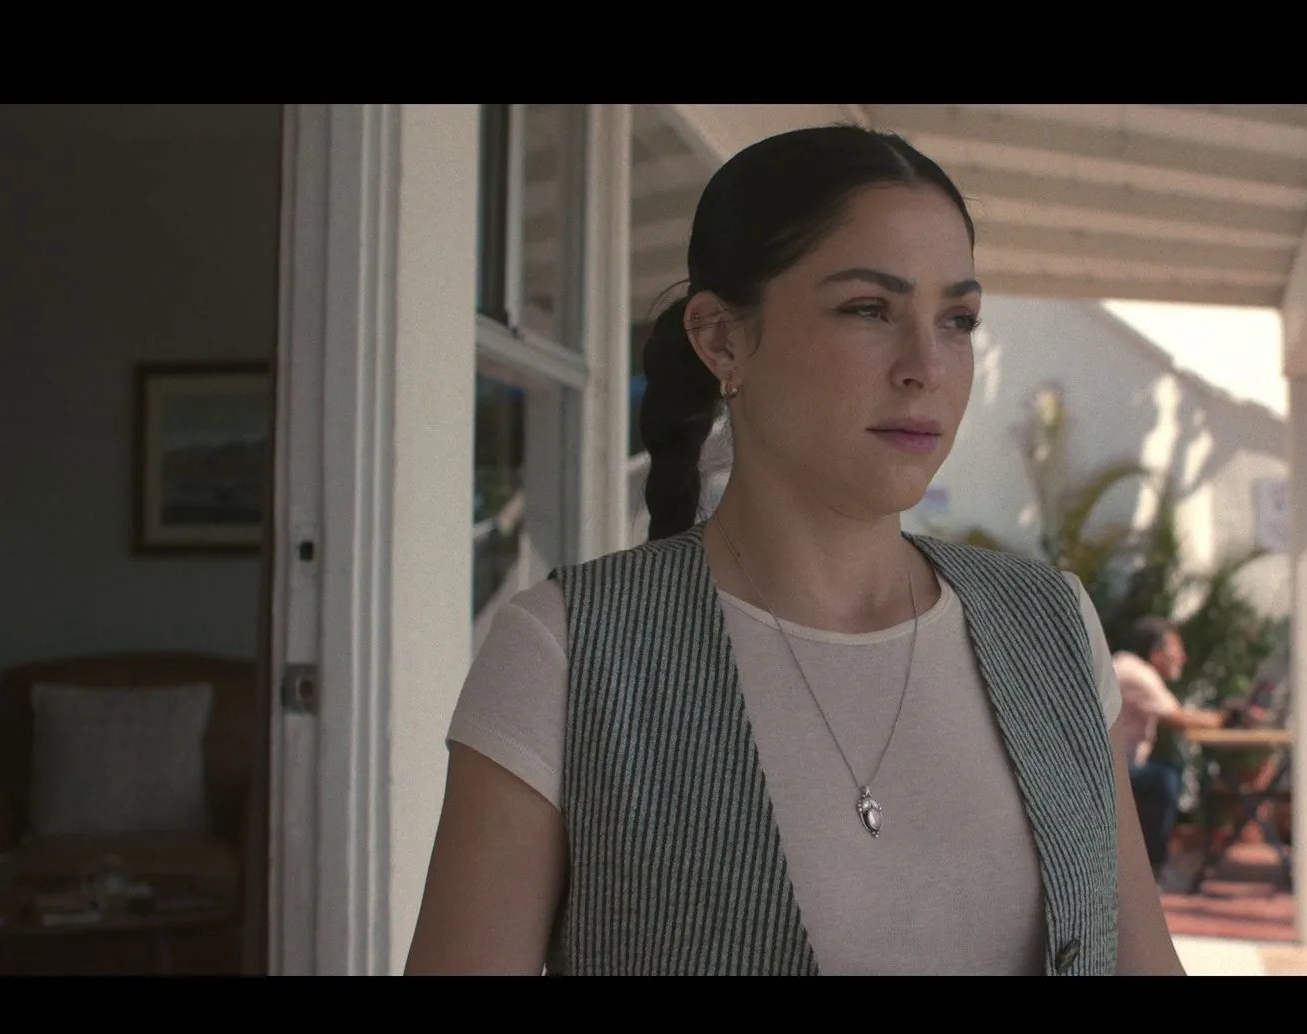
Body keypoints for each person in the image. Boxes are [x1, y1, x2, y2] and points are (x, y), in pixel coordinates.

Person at [405, 123, 1184, 976]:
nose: (926, 365)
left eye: (957, 319)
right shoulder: (567, 651)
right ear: (721, 339)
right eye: (868, 309)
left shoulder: (1052, 630)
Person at [1111, 616, 1263, 886]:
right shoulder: (1137, 674)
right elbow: (1178, 718)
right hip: (1110, 771)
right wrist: (1230, 718)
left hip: (1112, 767)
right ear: (1156, 654)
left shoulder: (1128, 666)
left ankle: (1144, 865)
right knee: (1165, 780)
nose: (1183, 658)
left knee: (1163, 775)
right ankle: (1153, 869)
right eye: (1176, 649)